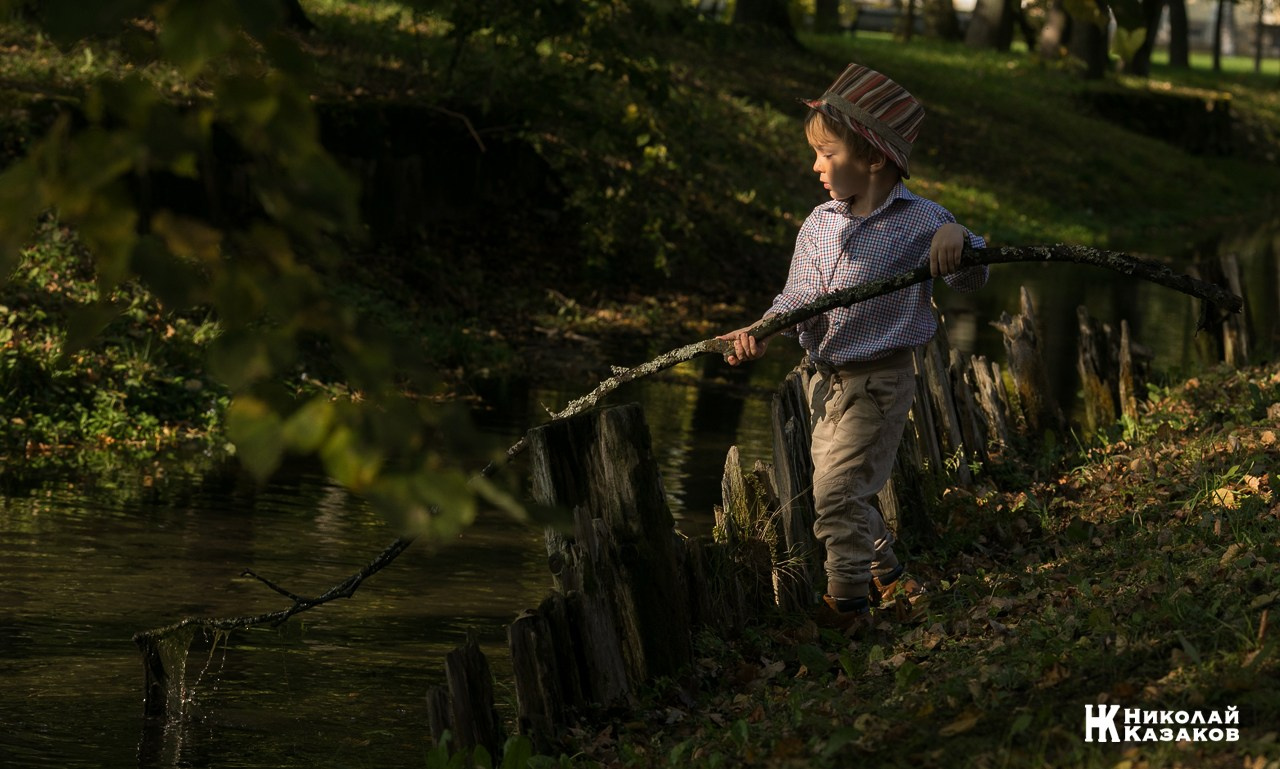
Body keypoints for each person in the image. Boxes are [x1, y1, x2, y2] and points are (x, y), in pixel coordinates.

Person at [719, 63, 988, 635]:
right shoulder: (817, 225)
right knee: (841, 491)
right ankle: (889, 577)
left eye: (825, 153)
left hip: (882, 381)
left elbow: (971, 279)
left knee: (837, 493)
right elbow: (796, 300)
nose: (814, 166)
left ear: (872, 159)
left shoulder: (922, 221)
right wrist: (762, 331)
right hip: (824, 382)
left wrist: (959, 239)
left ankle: (846, 609)